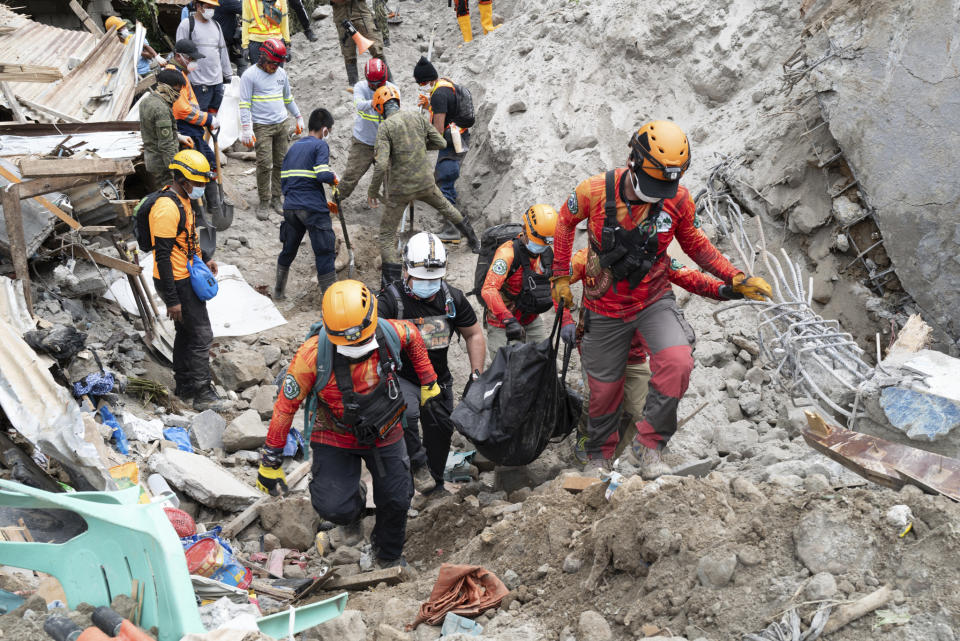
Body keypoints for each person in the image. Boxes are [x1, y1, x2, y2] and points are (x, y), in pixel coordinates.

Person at [550, 120, 772, 475]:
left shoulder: (678, 199)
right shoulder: (593, 191)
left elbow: (696, 245)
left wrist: (735, 277)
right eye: (654, 183)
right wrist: (561, 275)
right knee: (605, 393)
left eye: (667, 184)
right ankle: (597, 456)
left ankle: (649, 446)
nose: (659, 192)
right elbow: (563, 222)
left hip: (653, 300)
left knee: (678, 361)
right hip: (604, 308)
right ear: (633, 161)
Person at [257, 279, 445, 568]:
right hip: (335, 433)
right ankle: (352, 512)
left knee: (397, 497)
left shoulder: (389, 331)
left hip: (385, 426)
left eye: (362, 340)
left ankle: (388, 555)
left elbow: (415, 338)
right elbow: (285, 406)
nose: (357, 346)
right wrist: (270, 461)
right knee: (334, 506)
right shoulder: (310, 357)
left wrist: (429, 380)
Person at [566, 248, 744, 467]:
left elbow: (689, 276)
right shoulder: (587, 258)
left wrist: (724, 289)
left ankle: (613, 456)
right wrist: (566, 319)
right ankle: (586, 441)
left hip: (634, 355)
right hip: (599, 346)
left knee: (640, 410)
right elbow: (559, 281)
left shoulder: (654, 257)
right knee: (597, 399)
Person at [378, 232, 486, 493]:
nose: (428, 285)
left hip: (438, 379)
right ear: (405, 270)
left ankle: (434, 483)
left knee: (440, 430)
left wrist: (476, 376)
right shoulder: (391, 301)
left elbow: (474, 334)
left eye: (433, 280)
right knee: (407, 416)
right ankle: (405, 479)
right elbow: (373, 336)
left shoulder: (452, 298)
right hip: (403, 377)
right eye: (422, 280)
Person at [366, 85, 479, 289]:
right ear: (397, 103)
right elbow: (439, 142)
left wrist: (373, 190)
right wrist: (417, 145)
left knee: (386, 235)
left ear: (380, 108)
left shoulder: (385, 128)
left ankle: (391, 286)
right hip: (425, 182)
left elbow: (381, 164)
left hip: (399, 190)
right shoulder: (416, 118)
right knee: (446, 207)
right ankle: (473, 240)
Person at [148, 149, 224, 411]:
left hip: (185, 274)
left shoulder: (184, 201)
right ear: (183, 179)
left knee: (186, 332)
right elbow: (163, 257)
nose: (202, 187)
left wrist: (203, 259)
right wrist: (172, 300)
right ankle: (203, 393)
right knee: (202, 335)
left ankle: (185, 386)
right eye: (199, 182)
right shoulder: (166, 209)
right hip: (177, 281)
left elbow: (187, 240)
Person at [480, 204, 574, 362]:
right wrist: (508, 319)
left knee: (544, 365)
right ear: (525, 229)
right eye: (539, 241)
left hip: (531, 318)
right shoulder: (507, 253)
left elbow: (555, 286)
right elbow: (488, 289)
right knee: (506, 372)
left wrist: (565, 320)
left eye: (546, 243)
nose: (542, 247)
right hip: (503, 324)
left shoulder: (546, 254)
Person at [274, 108, 339, 301]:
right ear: (324, 129)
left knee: (288, 249)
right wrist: (334, 177)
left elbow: (284, 180)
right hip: (312, 208)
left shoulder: (293, 147)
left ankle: (278, 292)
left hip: (291, 207)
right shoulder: (320, 145)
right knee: (325, 251)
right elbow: (321, 173)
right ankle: (331, 301)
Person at [238, 38, 303, 219]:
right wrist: (246, 128)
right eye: (272, 63)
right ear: (263, 57)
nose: (274, 67)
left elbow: (288, 98)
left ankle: (276, 197)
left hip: (282, 124)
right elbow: (244, 104)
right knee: (265, 164)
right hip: (262, 127)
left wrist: (298, 116)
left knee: (281, 163)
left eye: (278, 63)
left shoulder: (281, 74)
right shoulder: (249, 75)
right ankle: (264, 200)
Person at [412, 57, 471, 244]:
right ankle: (456, 222)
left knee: (445, 181)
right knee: (443, 178)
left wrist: (421, 143)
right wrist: (429, 106)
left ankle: (452, 229)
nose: (422, 87)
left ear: (426, 80)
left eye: (421, 83)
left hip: (452, 143)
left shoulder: (438, 95)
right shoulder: (445, 84)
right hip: (458, 138)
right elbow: (448, 112)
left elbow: (437, 131)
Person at [164, 40, 223, 219]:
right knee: (194, 169)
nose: (193, 62)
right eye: (190, 58)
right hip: (185, 130)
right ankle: (198, 211)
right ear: (178, 56)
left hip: (194, 129)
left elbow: (190, 104)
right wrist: (208, 118)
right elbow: (181, 110)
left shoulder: (181, 73)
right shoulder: (172, 75)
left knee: (210, 163)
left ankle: (214, 206)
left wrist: (204, 120)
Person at [335, 58, 396, 202]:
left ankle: (391, 205)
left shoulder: (393, 89)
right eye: (372, 84)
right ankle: (335, 202)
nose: (375, 87)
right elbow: (359, 104)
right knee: (351, 176)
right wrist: (377, 100)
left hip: (385, 144)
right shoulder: (360, 87)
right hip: (363, 142)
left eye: (378, 84)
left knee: (391, 177)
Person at [176, 0, 232, 119]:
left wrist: (228, 75)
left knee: (217, 115)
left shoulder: (216, 25)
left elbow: (222, 51)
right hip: (198, 82)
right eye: (208, 6)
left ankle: (213, 137)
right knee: (200, 116)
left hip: (217, 81)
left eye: (213, 7)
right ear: (198, 6)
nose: (211, 10)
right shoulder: (187, 24)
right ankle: (201, 137)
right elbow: (180, 53)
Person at [140, 70, 194, 191]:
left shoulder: (146, 101)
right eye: (177, 90)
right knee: (168, 197)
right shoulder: (161, 109)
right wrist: (177, 169)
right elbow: (166, 144)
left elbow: (153, 130)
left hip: (152, 160)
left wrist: (178, 136)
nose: (178, 95)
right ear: (165, 86)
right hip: (163, 165)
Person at [319, 0, 388, 86]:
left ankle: (389, 82)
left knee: (376, 49)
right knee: (349, 55)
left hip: (362, 14)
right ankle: (354, 85)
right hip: (341, 18)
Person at [242, 0, 291, 66]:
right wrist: (287, 44)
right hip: (275, 42)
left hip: (257, 42)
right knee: (275, 74)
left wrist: (245, 46)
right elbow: (284, 21)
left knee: (259, 74)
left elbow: (245, 22)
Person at [212, 1, 245, 74]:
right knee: (224, 68)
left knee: (242, 64)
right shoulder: (227, 1)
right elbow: (244, 8)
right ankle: (226, 84)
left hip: (230, 41)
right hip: (224, 42)